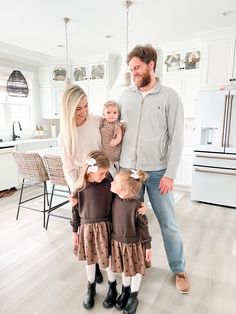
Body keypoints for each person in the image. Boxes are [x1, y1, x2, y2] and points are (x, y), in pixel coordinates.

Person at [118, 44, 190, 294]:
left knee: (168, 223)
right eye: (131, 69)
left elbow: (177, 139)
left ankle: (179, 269)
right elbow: (115, 128)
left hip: (158, 172)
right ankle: (137, 265)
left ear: (151, 65)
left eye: (137, 68)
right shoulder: (125, 96)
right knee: (130, 222)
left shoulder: (170, 97)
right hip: (128, 172)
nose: (133, 73)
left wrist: (170, 173)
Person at [59, 84, 104, 284]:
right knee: (89, 230)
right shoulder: (65, 135)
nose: (84, 112)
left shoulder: (95, 120)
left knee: (105, 226)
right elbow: (68, 167)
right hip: (85, 186)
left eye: (86, 106)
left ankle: (105, 263)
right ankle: (93, 271)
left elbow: (115, 125)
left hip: (104, 180)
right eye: (78, 109)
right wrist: (74, 190)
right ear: (69, 109)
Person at [69, 150, 117, 309]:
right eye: (102, 173)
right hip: (86, 229)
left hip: (105, 228)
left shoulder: (108, 184)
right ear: (91, 170)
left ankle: (112, 286)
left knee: (108, 260)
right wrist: (74, 231)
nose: (105, 175)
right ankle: (90, 287)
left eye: (106, 173)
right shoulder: (79, 188)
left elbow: (120, 203)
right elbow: (75, 211)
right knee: (90, 261)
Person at [110, 169, 152, 314]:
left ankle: (134, 296)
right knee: (124, 269)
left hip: (134, 245)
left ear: (124, 190)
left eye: (115, 182)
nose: (111, 182)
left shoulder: (137, 206)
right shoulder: (114, 198)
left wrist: (148, 246)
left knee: (135, 271)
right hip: (118, 242)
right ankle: (125, 291)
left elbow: (143, 227)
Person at [100, 100, 123, 167]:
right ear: (104, 114)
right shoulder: (102, 122)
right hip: (103, 148)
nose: (111, 115)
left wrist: (116, 141)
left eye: (114, 113)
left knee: (112, 163)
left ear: (118, 114)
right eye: (108, 112)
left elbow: (119, 136)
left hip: (113, 148)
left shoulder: (117, 125)